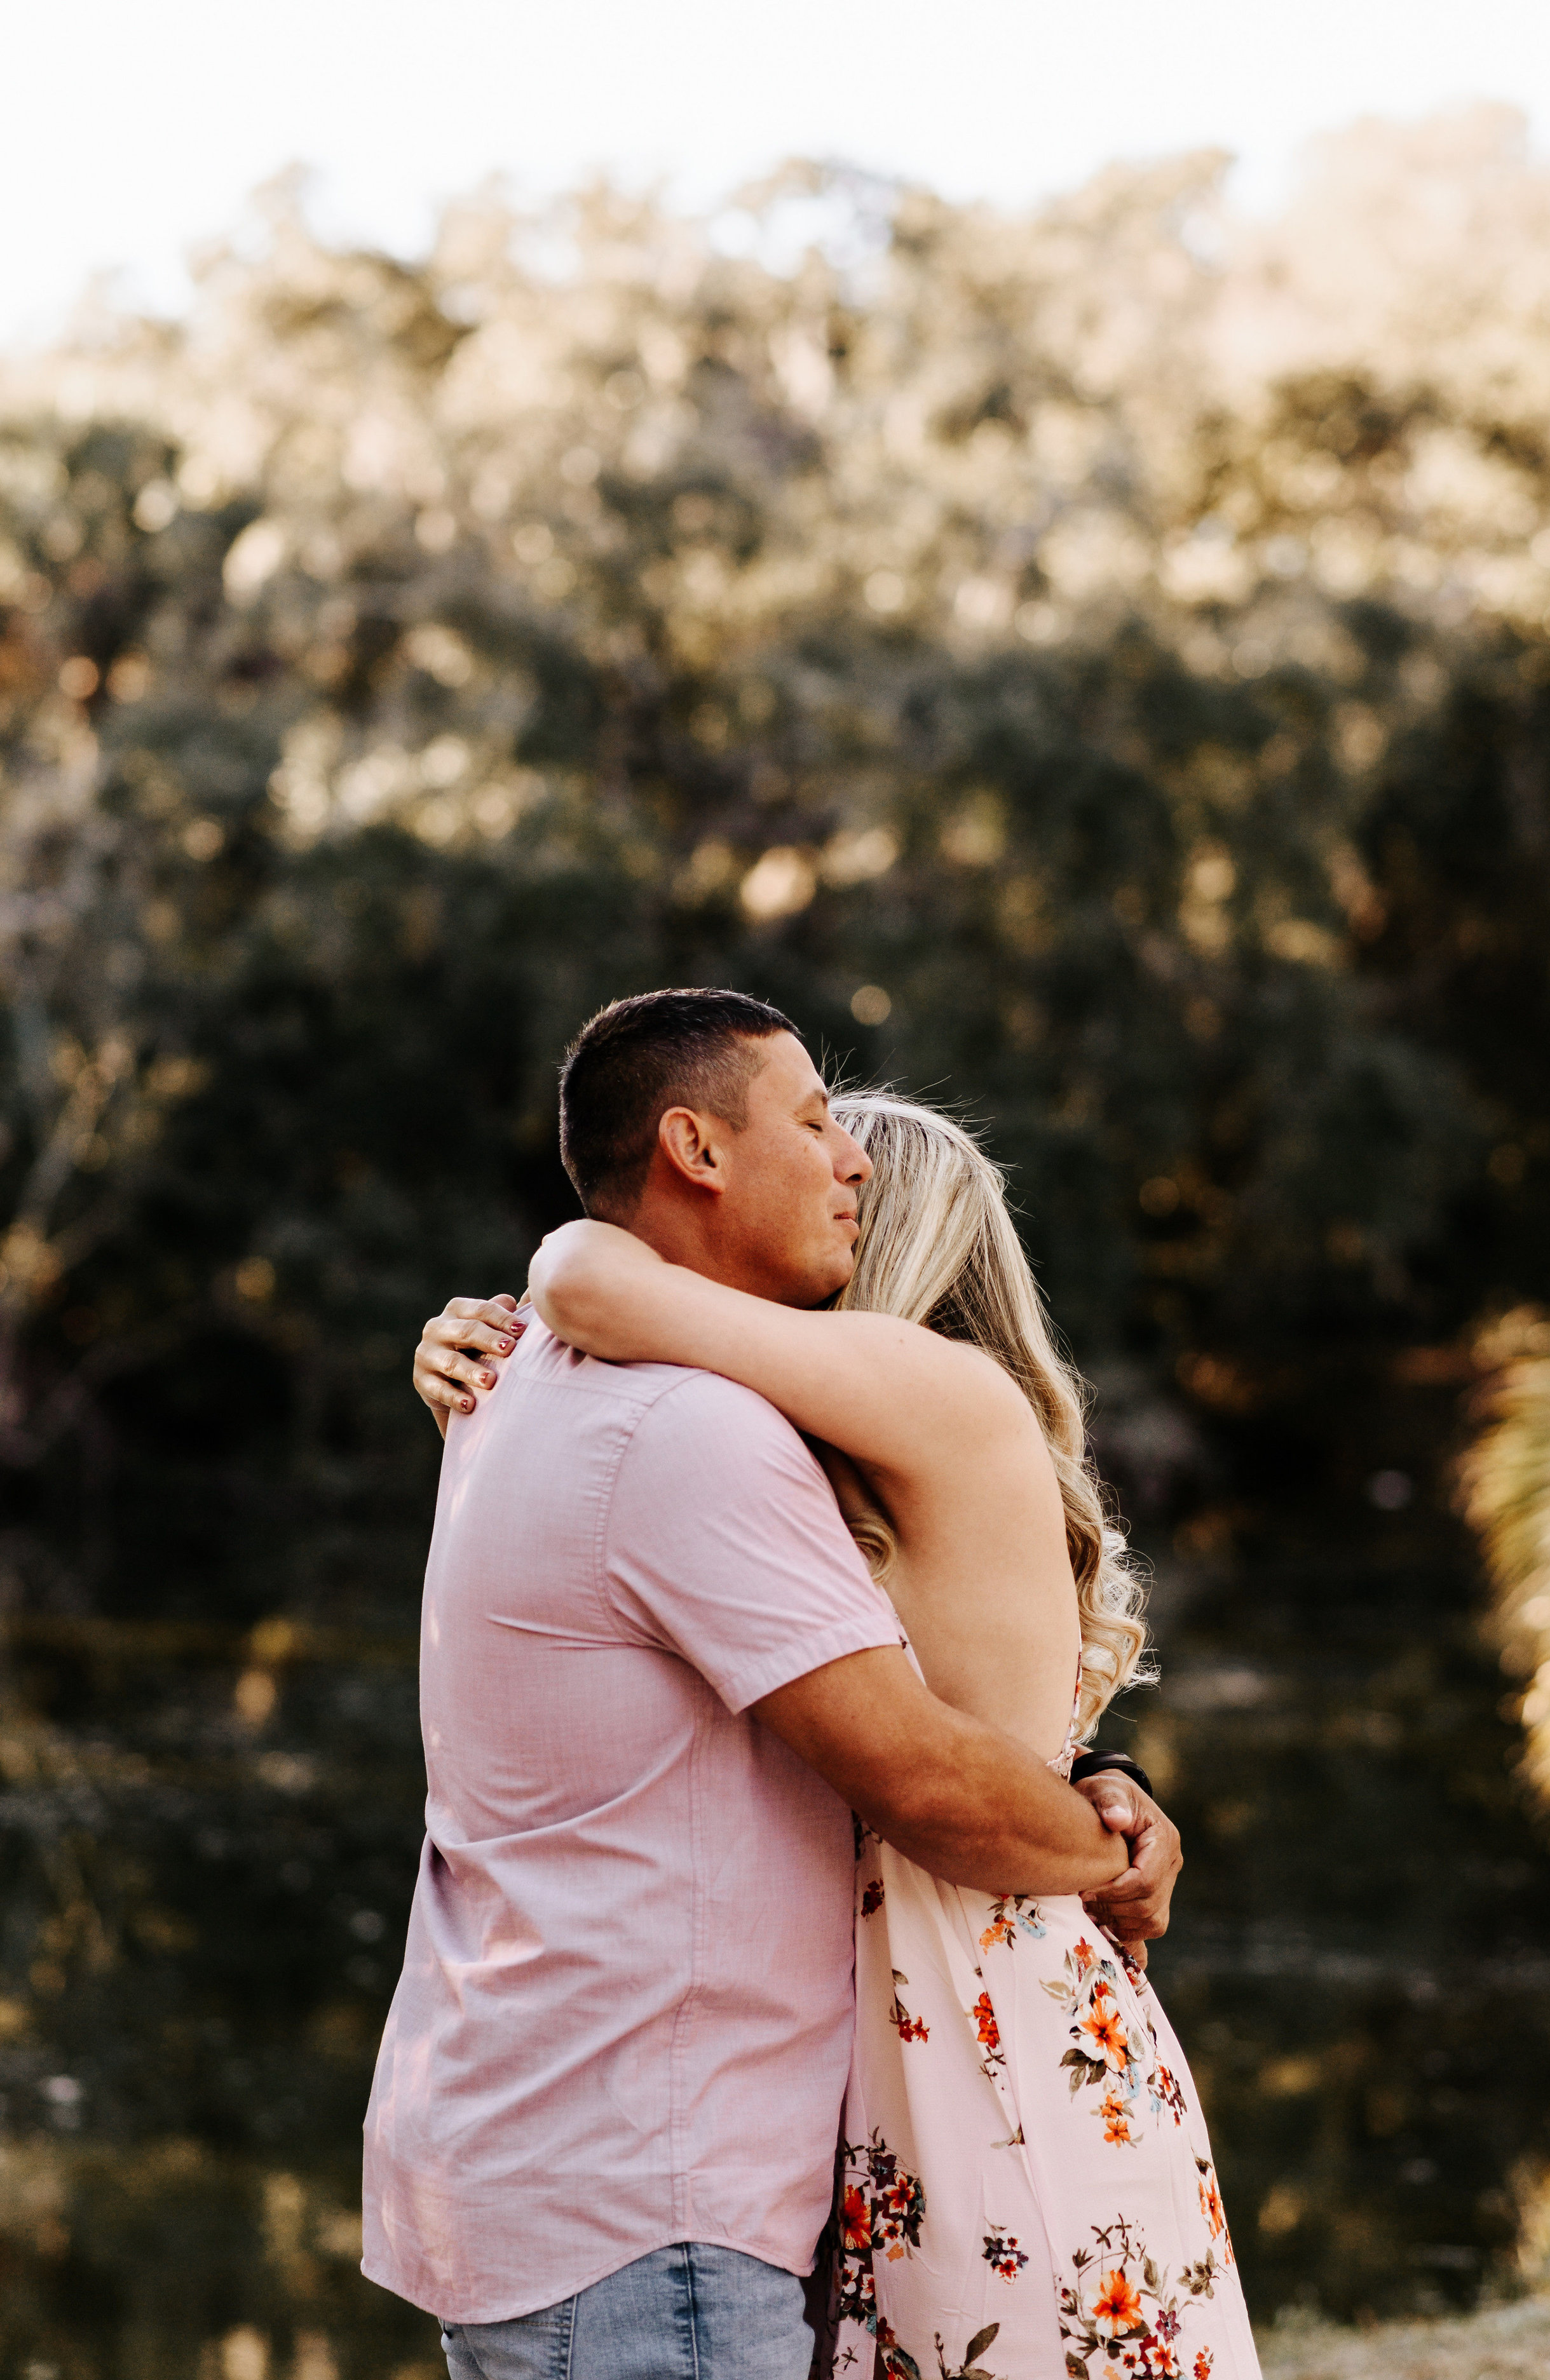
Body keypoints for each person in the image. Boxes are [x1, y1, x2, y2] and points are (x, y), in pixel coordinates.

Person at [371, 988, 1180, 2380]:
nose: (843, 1168)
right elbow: (931, 1782)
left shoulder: (540, 1392)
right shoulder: (689, 1431)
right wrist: (1102, 1848)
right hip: (654, 2183)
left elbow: (948, 1736)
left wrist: (1106, 1790)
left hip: (658, 2148)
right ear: (697, 1150)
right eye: (814, 1128)